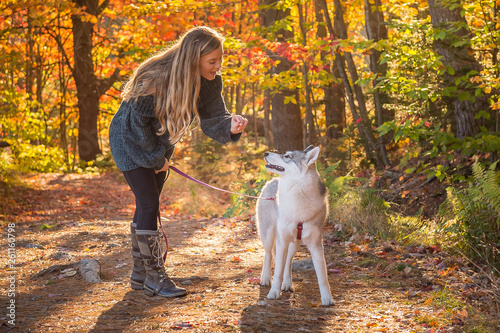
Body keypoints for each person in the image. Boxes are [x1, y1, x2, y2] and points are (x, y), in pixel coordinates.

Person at [109, 26, 248, 298]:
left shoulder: (209, 83)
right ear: (193, 58)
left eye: (220, 60)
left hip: (159, 144)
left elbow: (213, 120)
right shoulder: (155, 79)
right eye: (212, 61)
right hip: (129, 141)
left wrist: (230, 126)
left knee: (146, 204)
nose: (218, 66)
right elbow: (137, 125)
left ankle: (140, 275)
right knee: (149, 202)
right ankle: (155, 278)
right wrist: (154, 159)